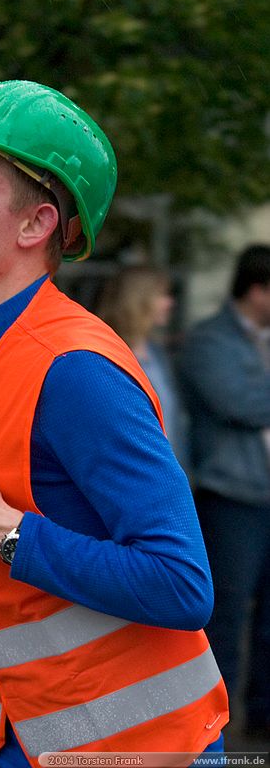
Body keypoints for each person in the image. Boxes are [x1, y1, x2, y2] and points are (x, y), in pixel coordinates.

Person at [0, 80, 228, 768]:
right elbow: (45, 512)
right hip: (30, 737)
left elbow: (182, 585)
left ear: (34, 225)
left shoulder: (74, 369)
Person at [178, 244, 270, 741]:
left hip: (265, 494)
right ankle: (214, 726)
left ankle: (262, 719)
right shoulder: (210, 340)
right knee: (226, 617)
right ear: (258, 290)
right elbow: (237, 402)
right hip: (230, 497)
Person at [96, 265, 187, 464]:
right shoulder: (104, 355)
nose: (169, 303)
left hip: (165, 479)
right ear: (138, 299)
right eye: (162, 295)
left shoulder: (157, 354)